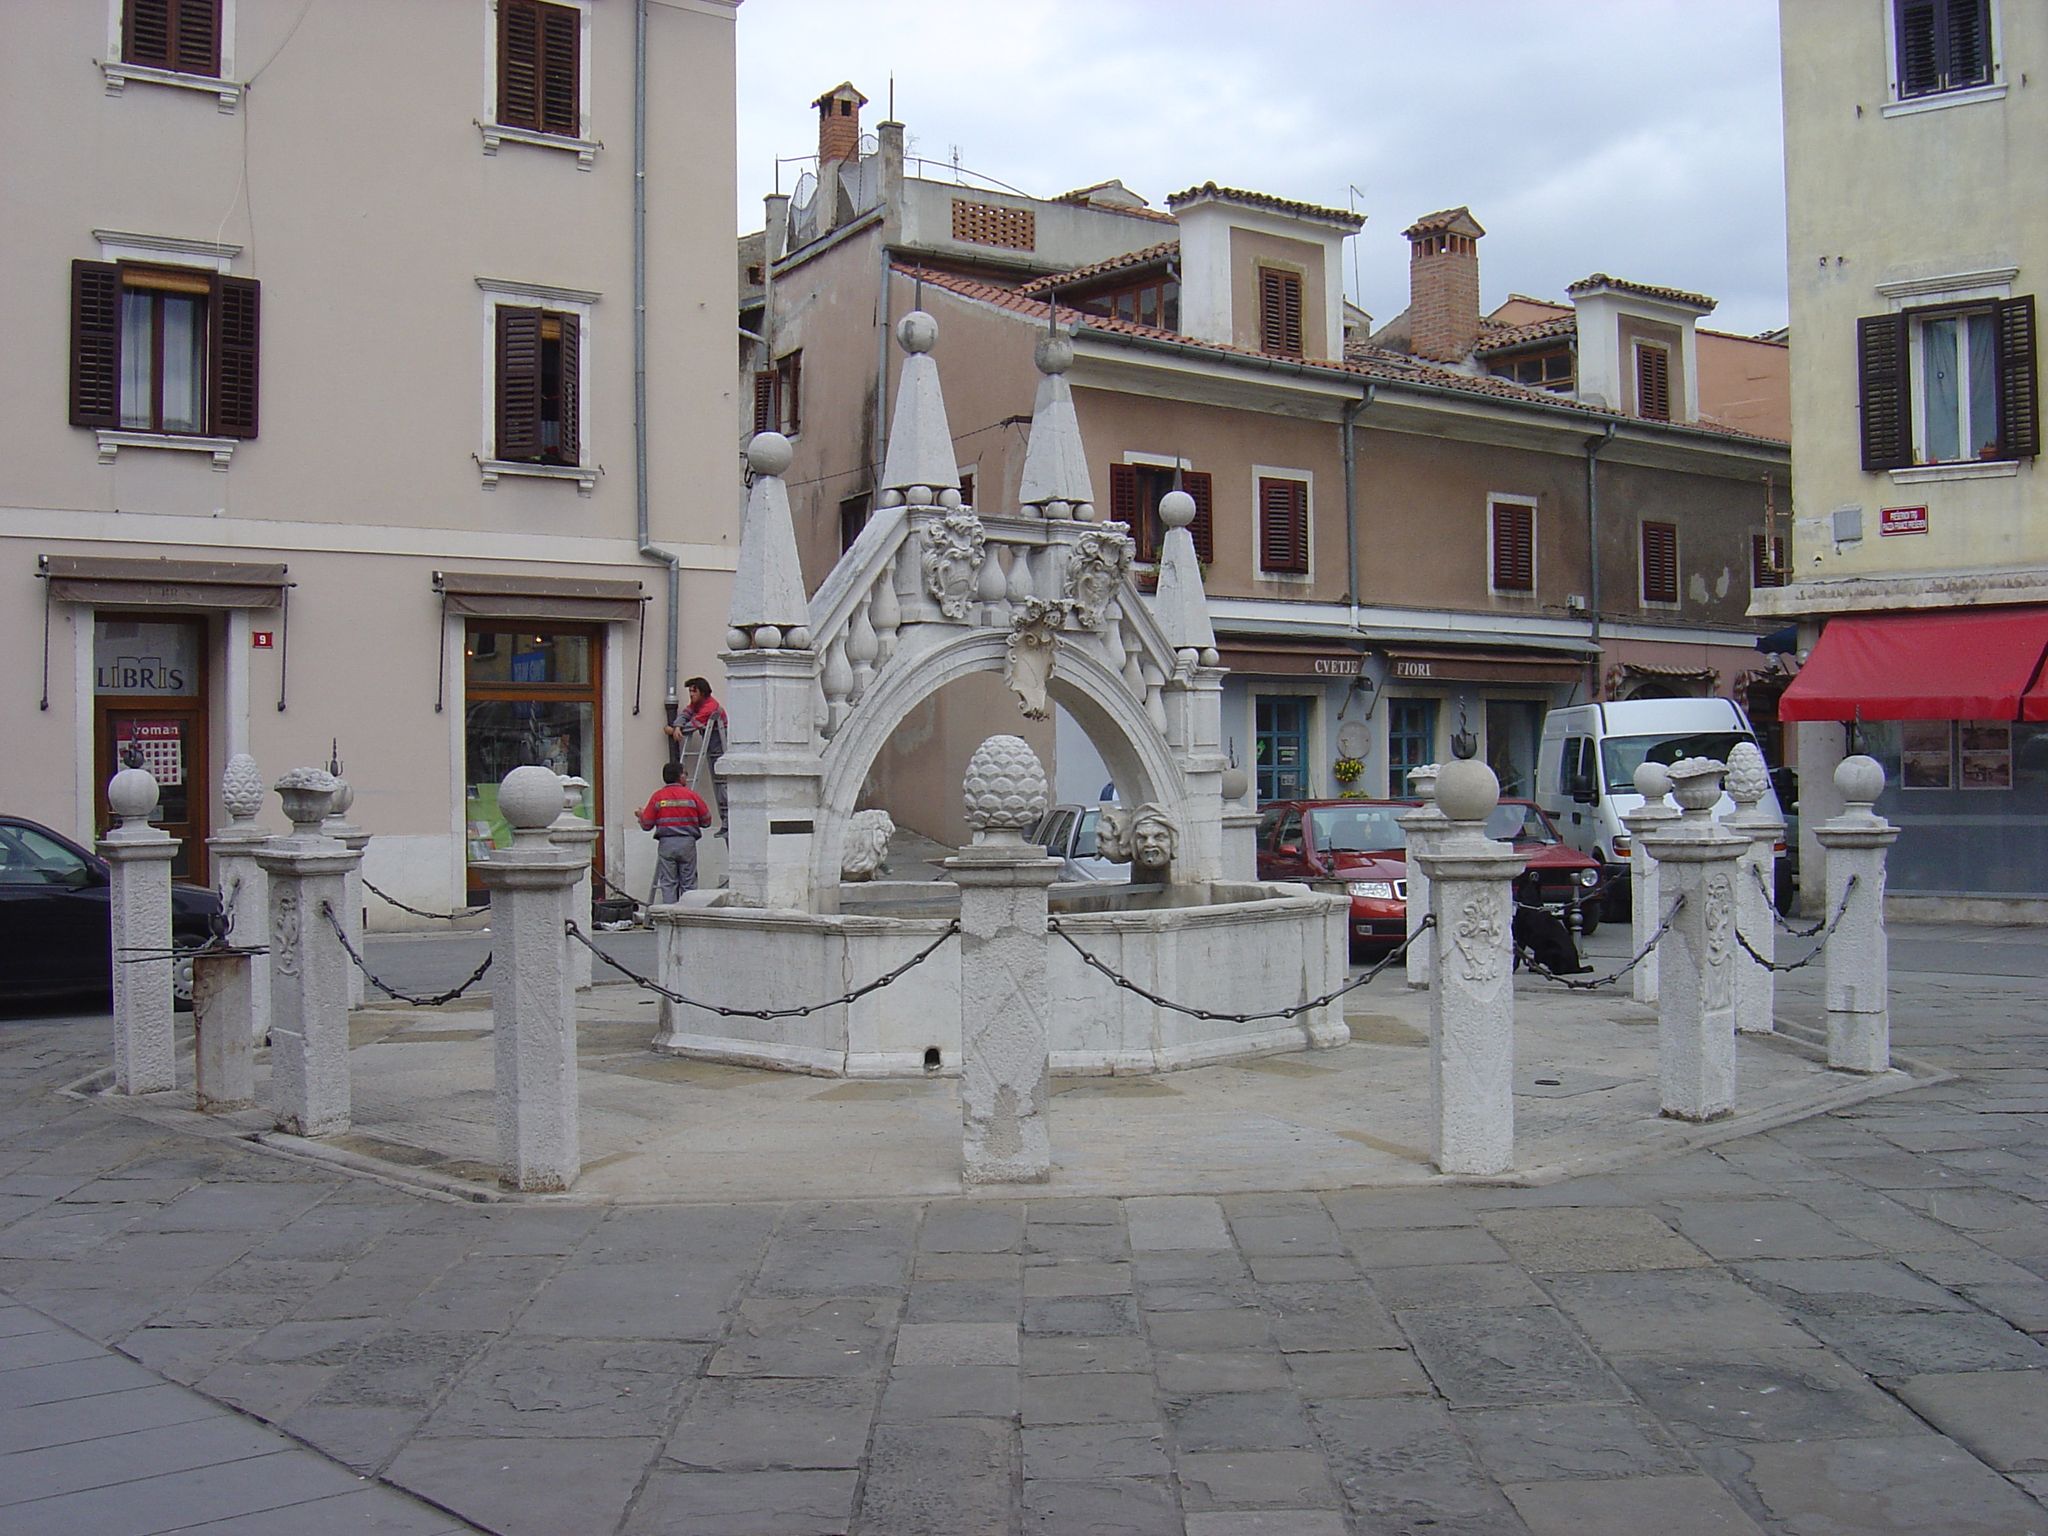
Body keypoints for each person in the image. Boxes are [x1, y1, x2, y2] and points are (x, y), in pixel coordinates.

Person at [637, 761, 712, 903]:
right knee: (688, 884)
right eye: (685, 773)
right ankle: (687, 917)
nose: (686, 776)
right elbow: (707, 820)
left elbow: (647, 824)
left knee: (668, 884)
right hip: (687, 843)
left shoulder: (658, 797)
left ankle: (669, 918)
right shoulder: (692, 796)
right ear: (680, 776)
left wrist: (640, 815)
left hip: (666, 844)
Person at [665, 676, 728, 832]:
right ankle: (726, 822)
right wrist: (678, 726)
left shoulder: (710, 707)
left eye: (694, 691)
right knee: (720, 785)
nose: (691, 695)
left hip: (719, 750)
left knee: (723, 786)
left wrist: (675, 730)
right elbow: (684, 715)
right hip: (711, 749)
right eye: (690, 691)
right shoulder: (696, 705)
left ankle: (727, 822)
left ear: (702, 692)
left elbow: (693, 724)